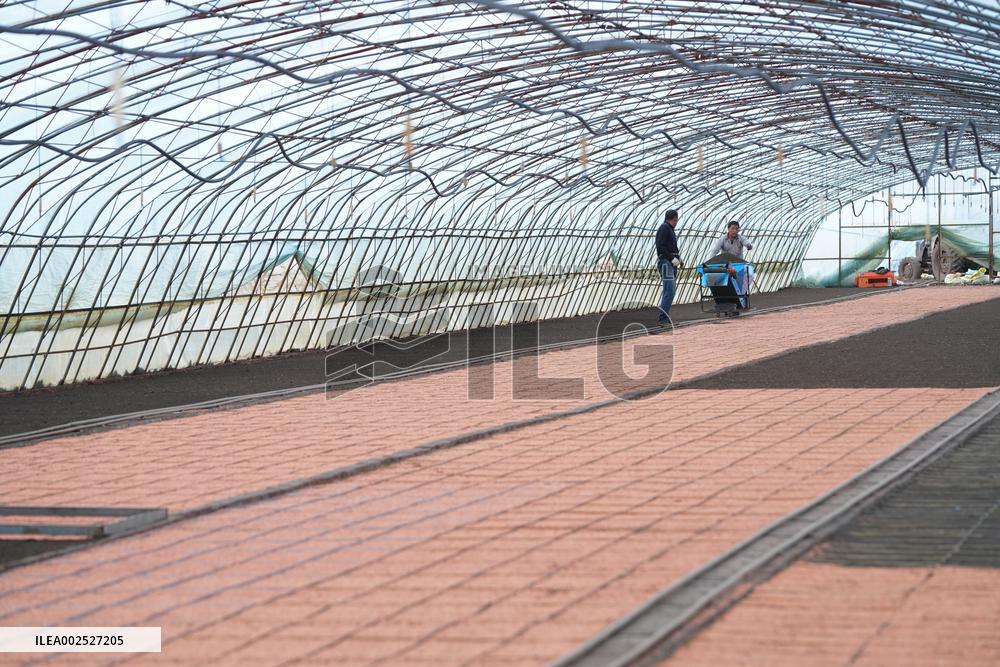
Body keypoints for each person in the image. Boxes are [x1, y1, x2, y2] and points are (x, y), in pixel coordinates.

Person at [655, 209, 682, 324]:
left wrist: (678, 258)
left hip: (670, 262)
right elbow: (660, 246)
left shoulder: (669, 229)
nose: (676, 222)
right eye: (676, 219)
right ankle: (663, 319)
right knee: (669, 291)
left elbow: (670, 247)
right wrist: (672, 258)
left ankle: (664, 317)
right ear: (673, 218)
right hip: (666, 262)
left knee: (669, 290)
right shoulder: (665, 228)